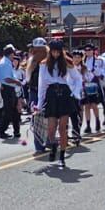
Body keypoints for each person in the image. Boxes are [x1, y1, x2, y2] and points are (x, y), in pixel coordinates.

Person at [35, 40, 81, 168]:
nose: (56, 54)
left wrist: (75, 93)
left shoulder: (67, 62)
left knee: (62, 127)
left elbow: (77, 78)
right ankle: (54, 146)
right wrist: (40, 103)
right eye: (53, 51)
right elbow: (42, 84)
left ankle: (62, 156)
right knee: (50, 128)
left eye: (58, 51)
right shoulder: (44, 64)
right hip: (51, 94)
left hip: (64, 94)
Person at [0, 45, 22, 139]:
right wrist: (17, 82)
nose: (14, 55)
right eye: (13, 53)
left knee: (14, 111)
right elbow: (7, 79)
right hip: (7, 89)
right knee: (8, 111)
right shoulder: (5, 63)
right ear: (10, 54)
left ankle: (16, 131)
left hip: (9, 88)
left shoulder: (7, 62)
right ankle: (2, 131)